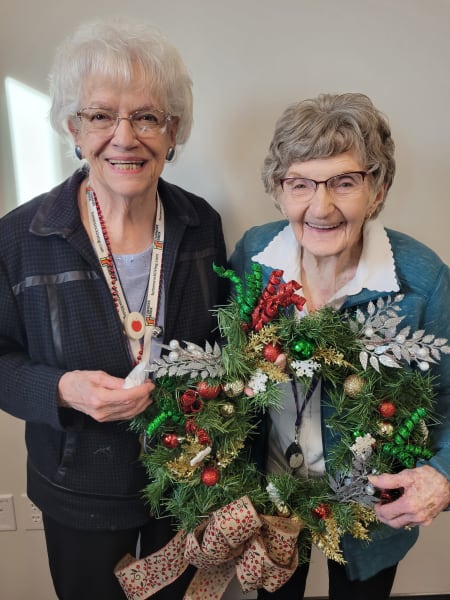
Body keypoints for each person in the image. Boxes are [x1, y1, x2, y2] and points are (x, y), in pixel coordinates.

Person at [0, 17, 227, 600]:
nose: (124, 137)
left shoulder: (201, 225)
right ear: (74, 128)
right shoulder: (22, 237)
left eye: (147, 116)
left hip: (186, 483)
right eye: (101, 115)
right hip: (79, 492)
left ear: (172, 130)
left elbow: (222, 349)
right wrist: (62, 389)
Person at [230, 92, 450, 600]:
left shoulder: (421, 282)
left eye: (344, 183)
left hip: (367, 513)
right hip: (272, 499)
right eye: (300, 184)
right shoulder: (254, 259)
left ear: (378, 190)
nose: (320, 206)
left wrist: (442, 475)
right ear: (278, 191)